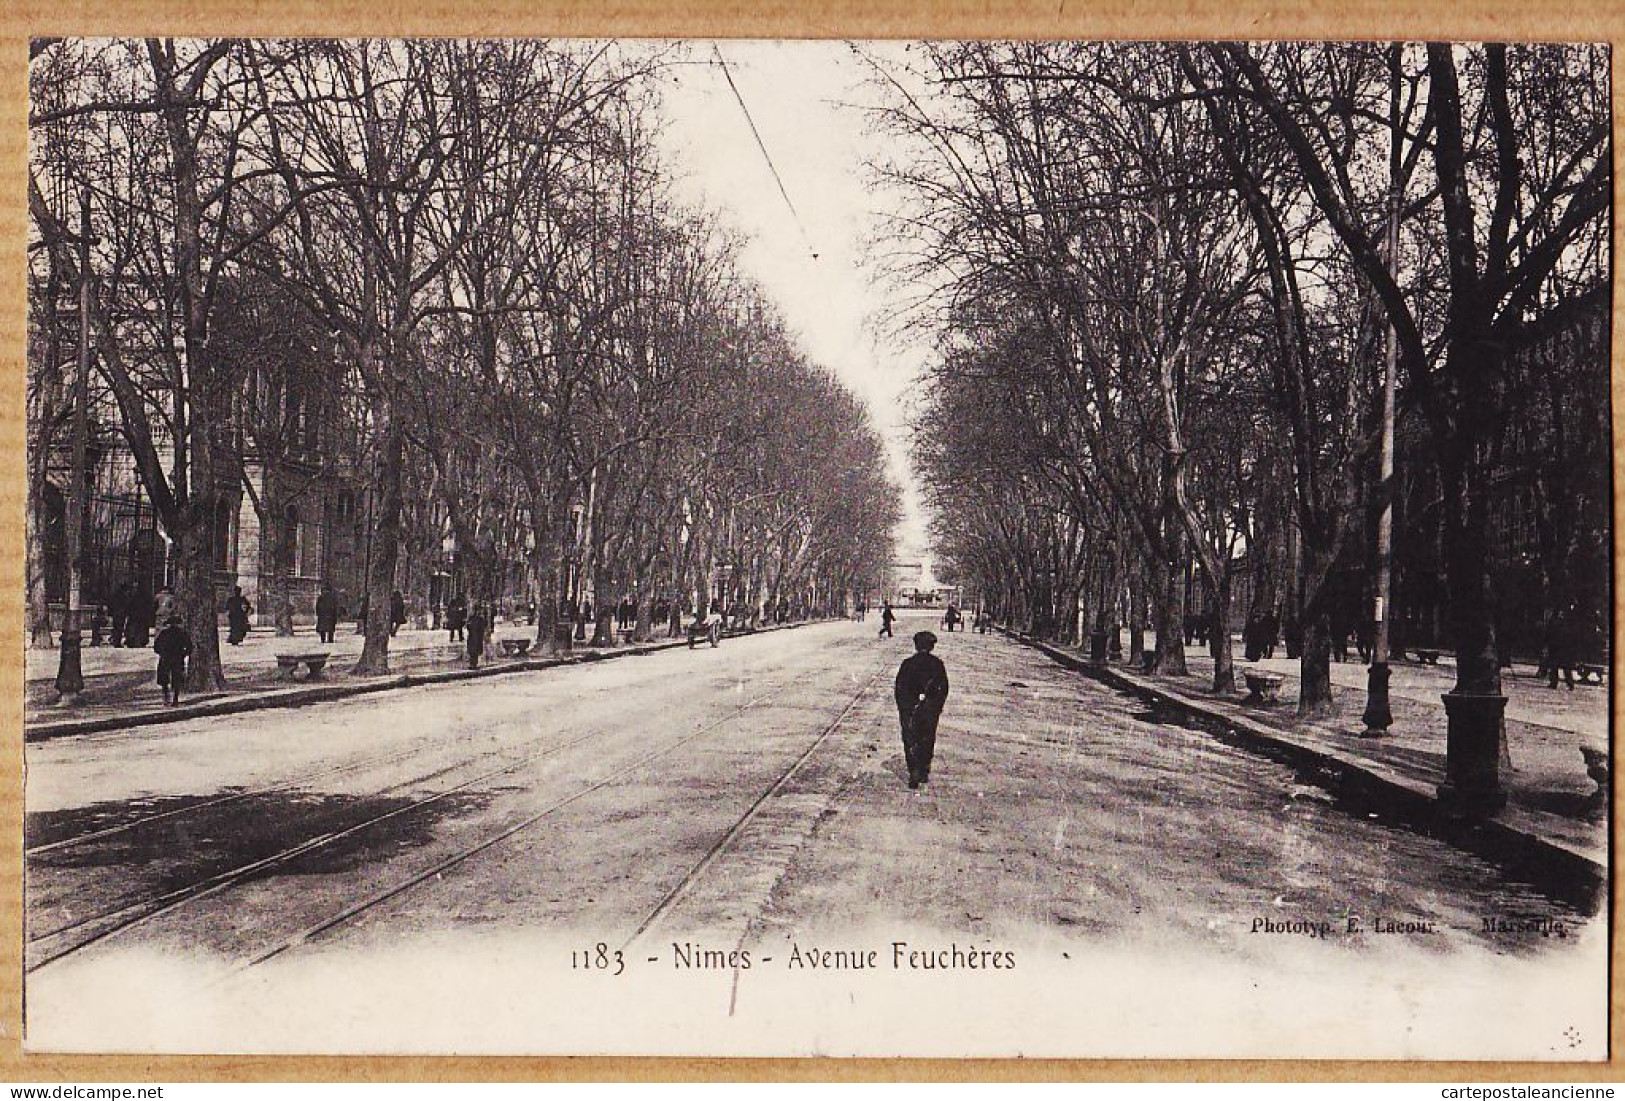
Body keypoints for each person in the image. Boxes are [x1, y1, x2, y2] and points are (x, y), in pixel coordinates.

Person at [894, 630, 950, 790]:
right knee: (927, 737)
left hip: (910, 708)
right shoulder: (937, 664)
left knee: (910, 738)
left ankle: (914, 771)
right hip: (929, 709)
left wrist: (905, 708)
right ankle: (924, 769)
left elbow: (900, 688)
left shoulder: (907, 664)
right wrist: (935, 706)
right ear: (932, 646)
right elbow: (943, 688)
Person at [153, 615, 193, 707]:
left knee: (164, 679)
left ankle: (166, 697)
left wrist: (162, 653)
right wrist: (183, 654)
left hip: (166, 657)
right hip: (177, 658)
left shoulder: (164, 633)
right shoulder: (182, 633)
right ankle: (175, 699)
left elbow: (156, 647)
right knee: (176, 678)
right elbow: (189, 646)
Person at [108, 581, 132, 650]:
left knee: (116, 628)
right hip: (121, 614)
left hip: (116, 614)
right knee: (119, 628)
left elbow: (111, 604)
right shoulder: (124, 596)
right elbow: (126, 605)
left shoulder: (115, 595)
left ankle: (115, 640)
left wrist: (111, 613)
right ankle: (117, 642)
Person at [466, 603, 487, 669]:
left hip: (477, 637)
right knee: (473, 650)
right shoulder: (473, 618)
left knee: (475, 650)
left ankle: (474, 663)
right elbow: (468, 626)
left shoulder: (479, 619)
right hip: (473, 636)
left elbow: (483, 626)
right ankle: (473, 663)